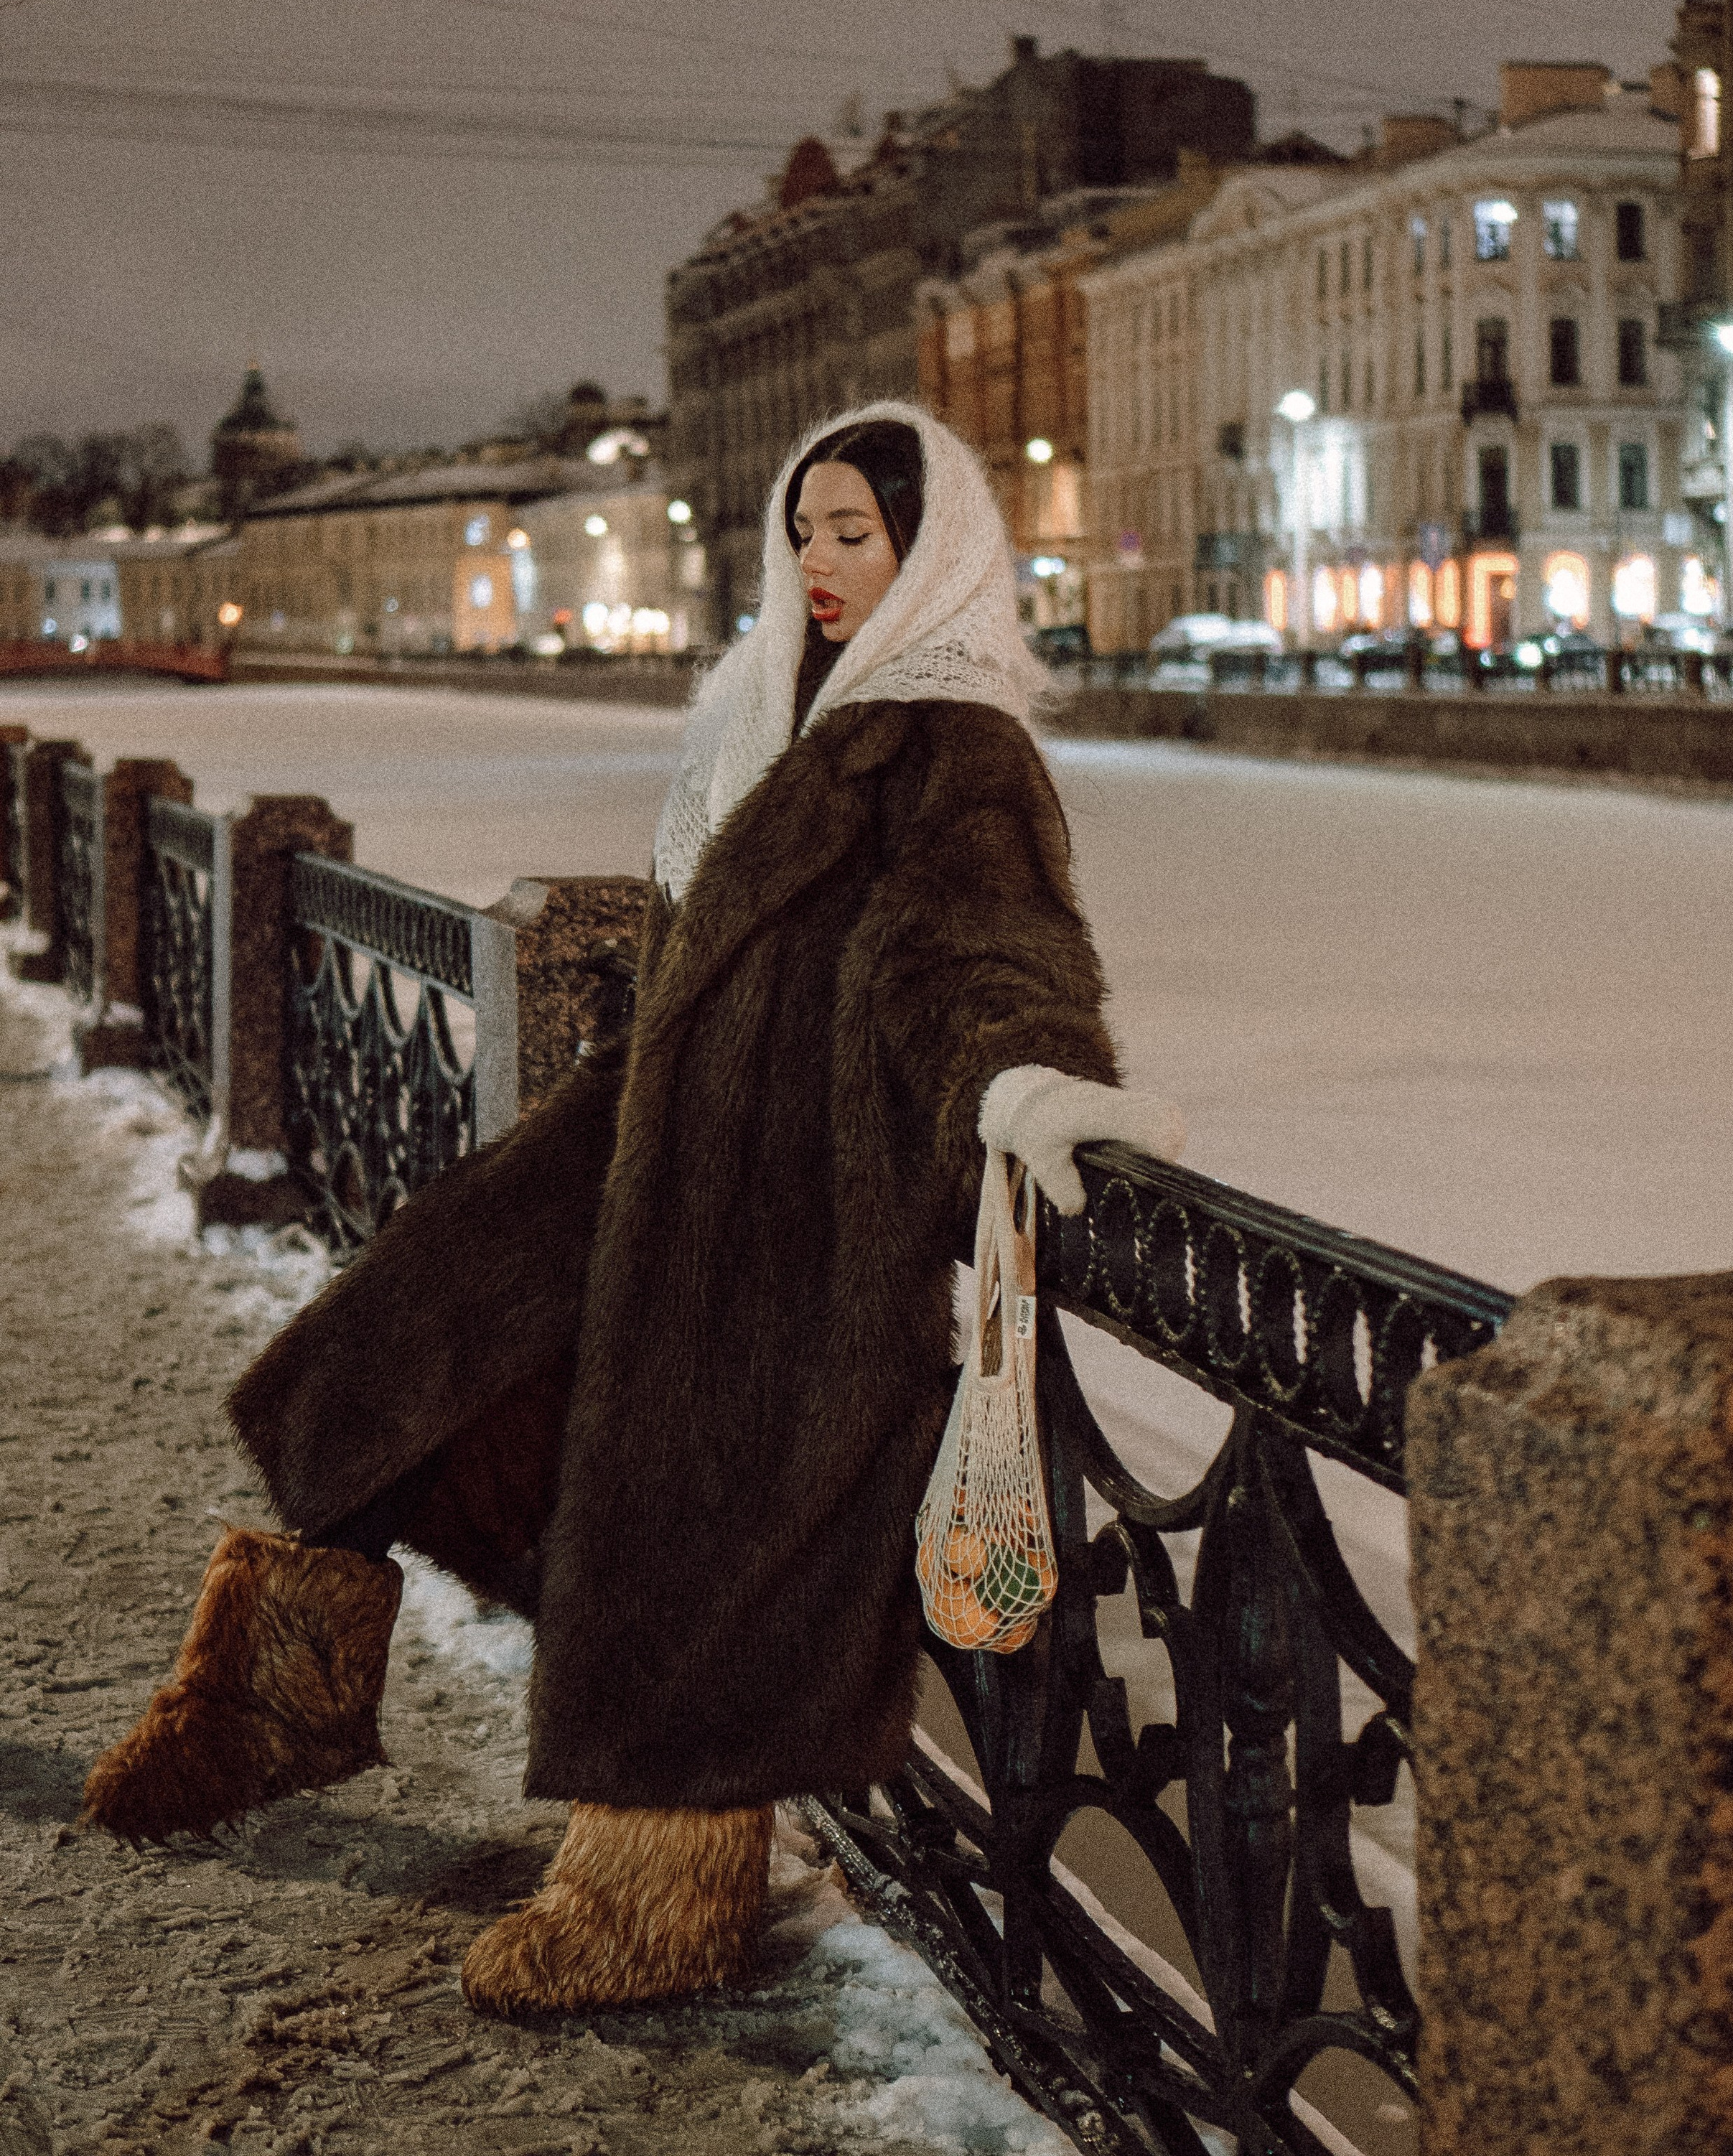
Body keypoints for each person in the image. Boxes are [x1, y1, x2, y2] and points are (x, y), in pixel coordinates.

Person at [83, 401, 1185, 2014]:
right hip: (638, 1141)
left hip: (786, 1216)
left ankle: (657, 1904)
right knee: (395, 1350)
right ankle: (279, 1695)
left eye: (855, 533)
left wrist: (1028, 1084)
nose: (818, 562)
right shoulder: (765, 711)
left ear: (931, 547)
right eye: (803, 532)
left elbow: (989, 952)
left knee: (686, 1534)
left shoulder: (953, 745)